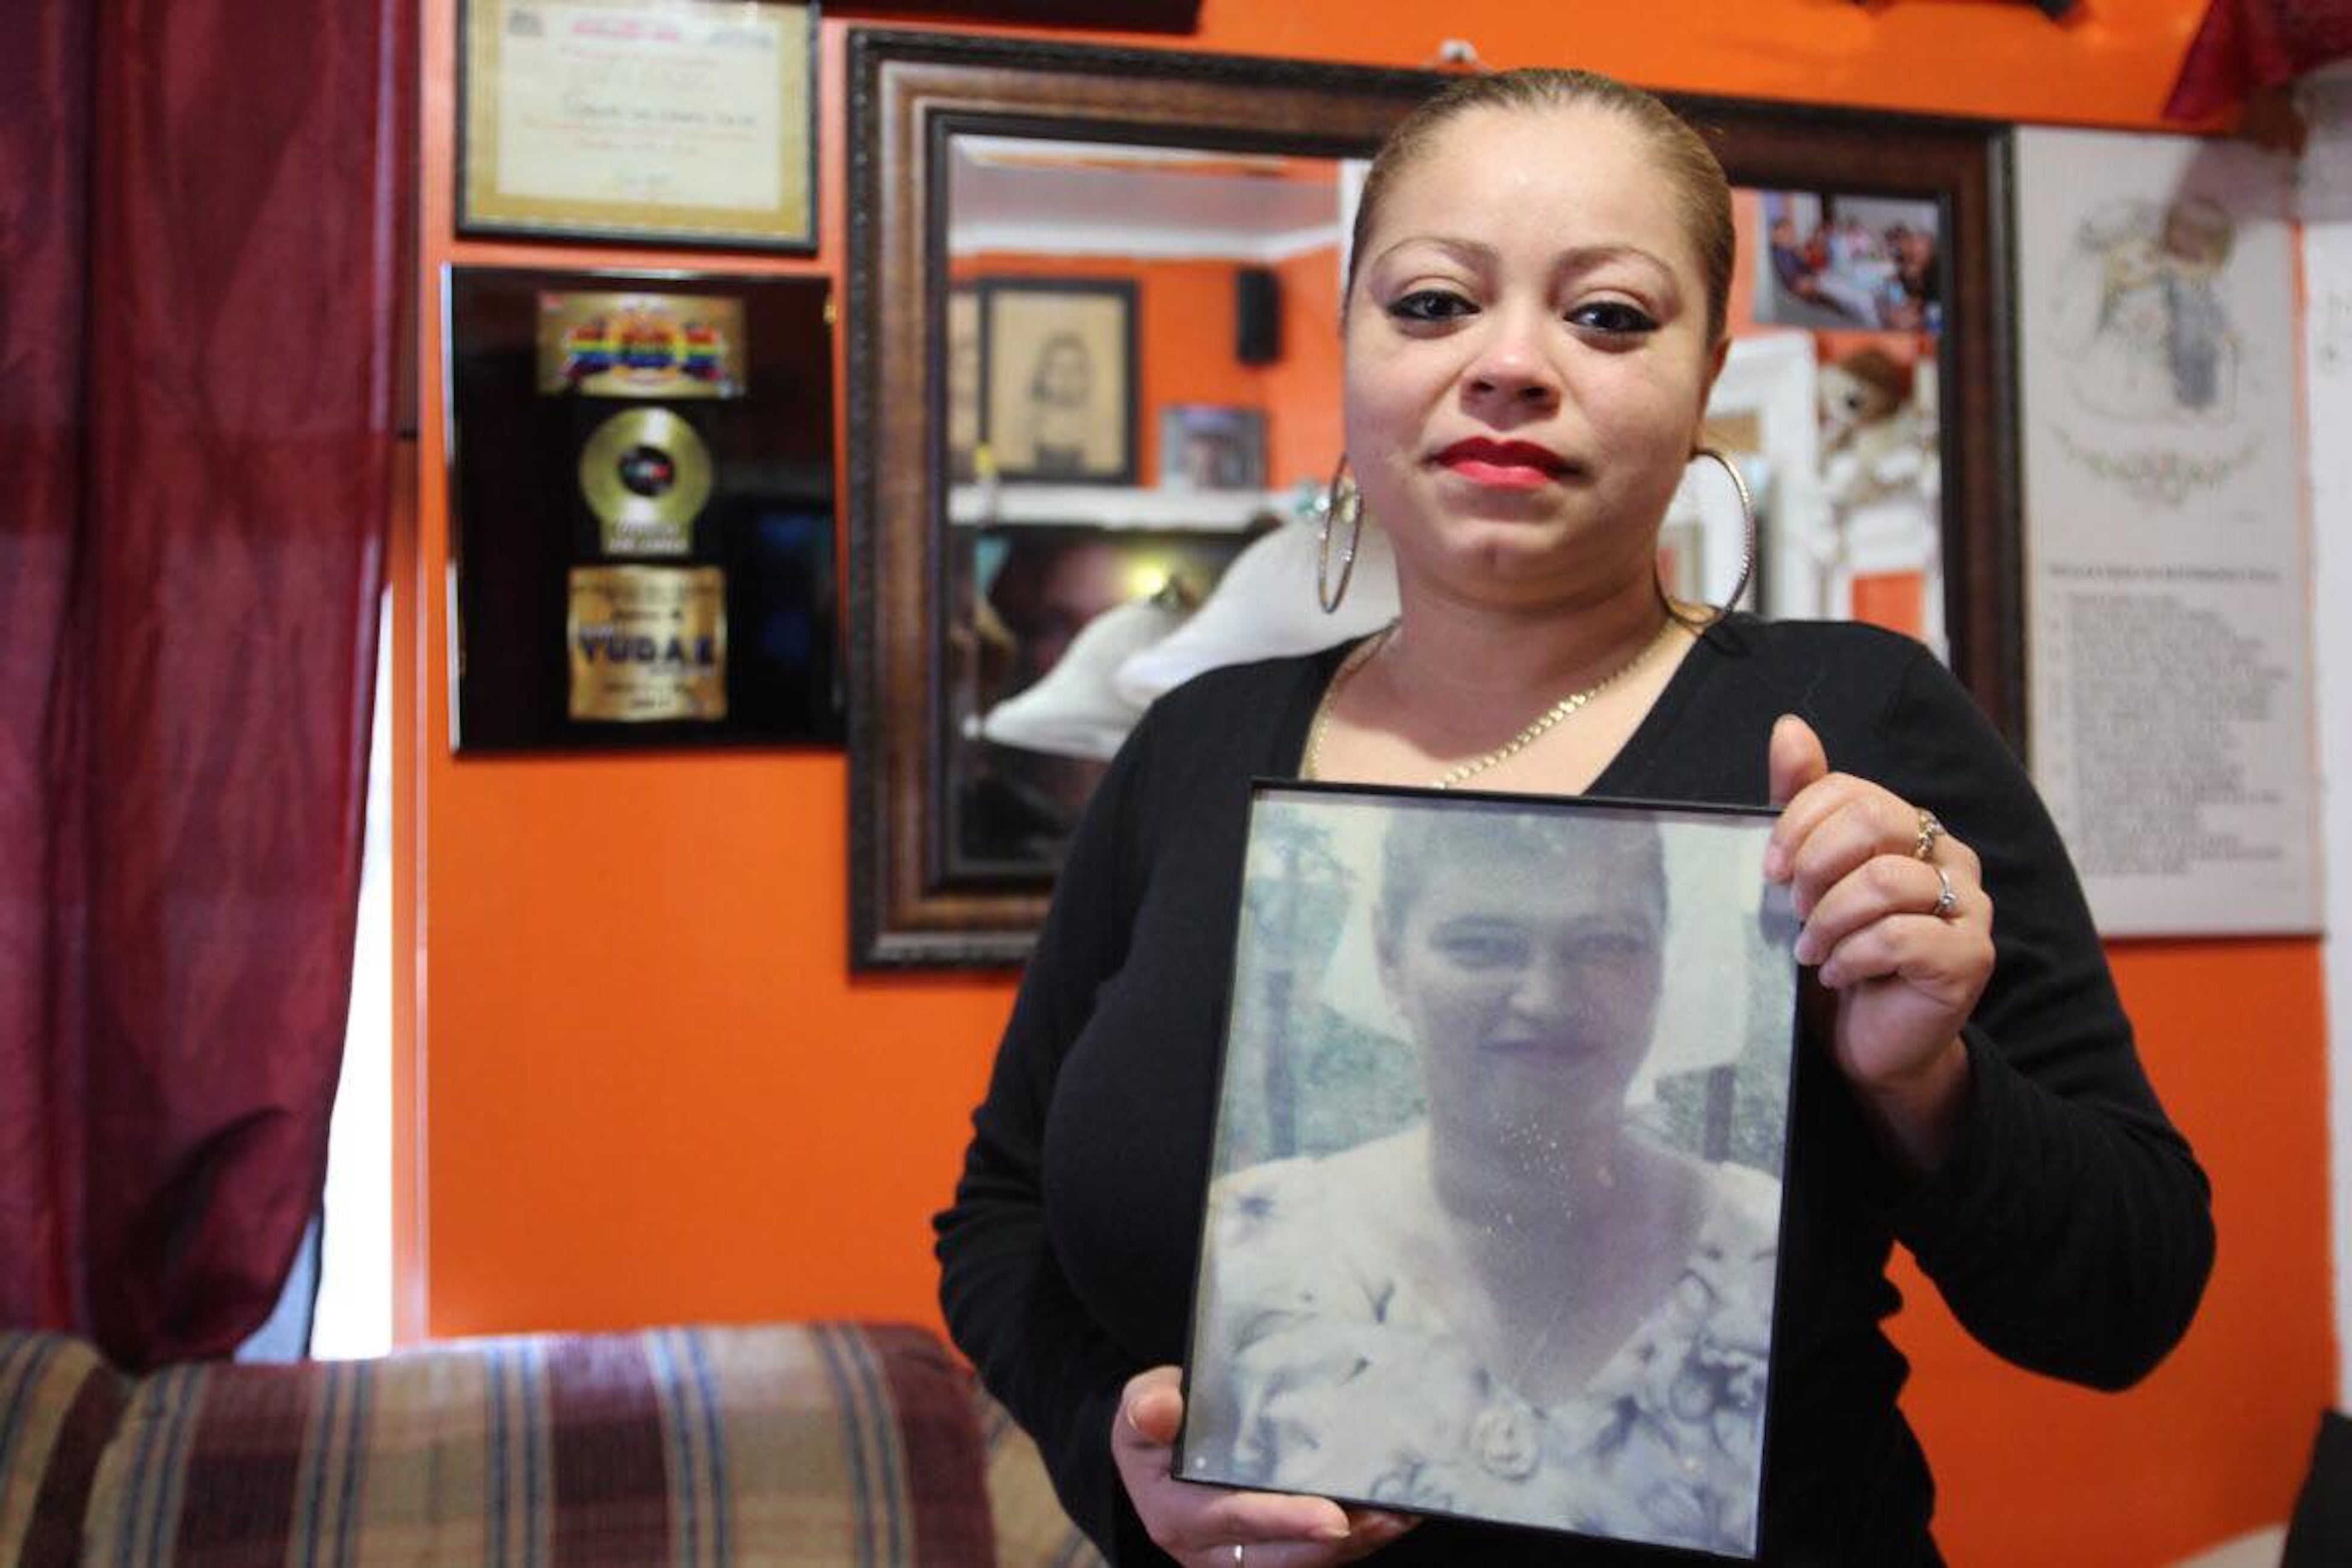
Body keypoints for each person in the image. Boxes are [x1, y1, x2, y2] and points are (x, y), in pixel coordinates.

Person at [936, 66, 2213, 1565]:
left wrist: (1923, 1081)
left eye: (1605, 315)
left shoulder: (1852, 726)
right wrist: (1116, 1457)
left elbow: (2126, 1299)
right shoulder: (1193, 749)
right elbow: (1000, 1219)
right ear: (1349, 345)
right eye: (1428, 305)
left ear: (1705, 374)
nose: (1509, 365)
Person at [1184, 804, 1785, 1557]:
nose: (1546, 996)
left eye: (1603, 944)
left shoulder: (1761, 1244)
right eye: (1482, 946)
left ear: (1659, 959)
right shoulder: (1254, 1246)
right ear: (1387, 957)